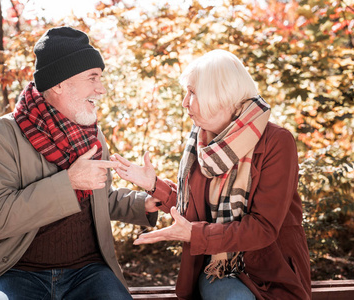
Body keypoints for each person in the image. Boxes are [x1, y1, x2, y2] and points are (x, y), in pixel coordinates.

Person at [0, 26, 159, 300]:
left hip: (89, 272)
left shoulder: (91, 134)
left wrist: (142, 204)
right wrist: (69, 182)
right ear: (59, 83)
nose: (102, 89)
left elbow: (99, 199)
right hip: (17, 272)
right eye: (92, 78)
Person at [111, 49, 312, 300]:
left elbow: (263, 228)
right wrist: (153, 185)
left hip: (271, 272)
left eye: (192, 92)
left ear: (220, 95)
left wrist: (195, 235)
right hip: (220, 269)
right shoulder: (201, 141)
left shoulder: (277, 142)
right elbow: (194, 210)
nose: (185, 102)